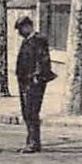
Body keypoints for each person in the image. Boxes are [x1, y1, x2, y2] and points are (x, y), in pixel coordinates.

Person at [14, 15, 56, 153]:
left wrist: (36, 77)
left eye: (21, 28)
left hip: (34, 82)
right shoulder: (28, 41)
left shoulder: (38, 40)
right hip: (25, 81)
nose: (19, 32)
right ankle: (31, 140)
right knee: (27, 111)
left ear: (28, 26)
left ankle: (33, 143)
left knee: (32, 111)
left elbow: (43, 60)